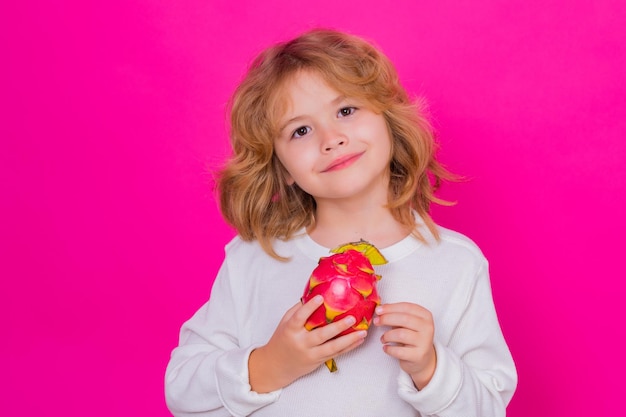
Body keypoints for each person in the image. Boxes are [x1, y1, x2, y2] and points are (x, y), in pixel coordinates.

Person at [165, 28, 517, 417]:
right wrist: (269, 365)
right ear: (280, 167)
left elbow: (489, 407)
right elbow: (181, 390)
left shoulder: (455, 263)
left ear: (388, 117)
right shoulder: (254, 258)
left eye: (346, 111)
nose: (331, 139)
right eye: (300, 130)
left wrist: (432, 369)